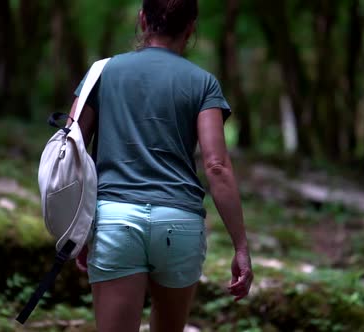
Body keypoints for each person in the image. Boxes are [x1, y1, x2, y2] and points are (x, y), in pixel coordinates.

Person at [69, 0, 253, 331]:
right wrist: (240, 246)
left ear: (142, 20)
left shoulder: (103, 72)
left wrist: (77, 228)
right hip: (179, 222)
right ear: (191, 28)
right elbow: (216, 166)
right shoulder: (202, 82)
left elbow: (72, 151)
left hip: (115, 219)